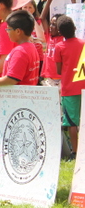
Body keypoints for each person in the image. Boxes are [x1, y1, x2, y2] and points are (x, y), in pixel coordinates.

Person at [0, 10, 40, 96]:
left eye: (9, 29)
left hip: (17, 99)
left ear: (18, 31)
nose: (7, 32)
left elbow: (12, 79)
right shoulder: (31, 47)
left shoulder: (20, 51)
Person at [54, 15, 85, 160]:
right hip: (83, 86)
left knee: (72, 122)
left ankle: (75, 151)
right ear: (74, 28)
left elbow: (59, 70)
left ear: (60, 32)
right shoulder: (83, 44)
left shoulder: (59, 47)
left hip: (69, 89)